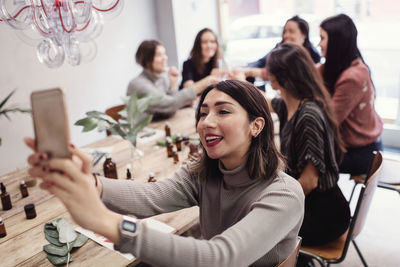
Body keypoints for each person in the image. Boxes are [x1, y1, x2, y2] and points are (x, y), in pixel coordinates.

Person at [26, 80, 305, 267]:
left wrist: (109, 224)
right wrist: (91, 183)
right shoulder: (205, 173)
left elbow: (219, 258)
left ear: (256, 126)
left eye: (223, 112)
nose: (206, 122)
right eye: (203, 113)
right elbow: (149, 197)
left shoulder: (283, 193)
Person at [266, 43, 350, 248]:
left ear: (280, 78)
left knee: (259, 230)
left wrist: (273, 202)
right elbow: (266, 102)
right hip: (312, 205)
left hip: (324, 215)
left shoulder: (308, 115)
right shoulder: (290, 104)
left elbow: (309, 182)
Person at [319, 14, 383, 175]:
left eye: (322, 38)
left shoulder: (353, 76)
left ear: (336, 42)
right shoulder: (344, 64)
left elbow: (330, 120)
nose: (319, 43)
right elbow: (307, 71)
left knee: (307, 163)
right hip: (356, 146)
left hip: (362, 153)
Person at [127, 40, 219, 119]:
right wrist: (202, 84)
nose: (165, 58)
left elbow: (171, 109)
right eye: (159, 55)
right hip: (139, 135)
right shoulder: (138, 84)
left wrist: (173, 86)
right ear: (147, 61)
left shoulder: (163, 78)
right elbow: (168, 105)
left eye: (164, 54)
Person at [240, 15, 320, 81]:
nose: (286, 35)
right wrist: (243, 69)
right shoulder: (280, 48)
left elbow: (278, 73)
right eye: (285, 31)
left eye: (291, 31)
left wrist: (249, 71)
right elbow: (261, 62)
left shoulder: (312, 56)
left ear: (304, 34)